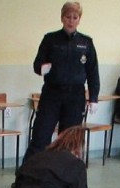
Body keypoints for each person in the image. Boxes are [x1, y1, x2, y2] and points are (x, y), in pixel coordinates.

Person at [25, 2, 99, 162]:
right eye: (68, 17)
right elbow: (37, 64)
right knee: (40, 137)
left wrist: (93, 98)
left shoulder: (86, 42)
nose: (71, 21)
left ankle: (63, 180)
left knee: (69, 141)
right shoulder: (50, 39)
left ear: (79, 19)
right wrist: (43, 68)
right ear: (62, 18)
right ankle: (26, 177)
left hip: (75, 96)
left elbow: (93, 72)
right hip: (52, 94)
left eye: (75, 17)